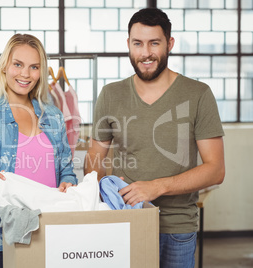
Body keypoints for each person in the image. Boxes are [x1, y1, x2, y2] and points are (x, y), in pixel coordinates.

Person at [84, 8, 225, 268]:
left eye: (154, 43)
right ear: (128, 44)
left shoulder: (198, 94)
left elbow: (215, 170)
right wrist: (105, 188)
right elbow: (95, 158)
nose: (145, 53)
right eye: (138, 43)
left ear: (169, 44)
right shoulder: (110, 94)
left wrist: (157, 186)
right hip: (125, 222)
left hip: (177, 227)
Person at [0, 33, 77, 268]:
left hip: (52, 230)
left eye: (34, 67)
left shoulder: (53, 116)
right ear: (4, 67)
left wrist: (68, 184)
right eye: (18, 64)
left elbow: (67, 171)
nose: (25, 74)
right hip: (3, 237)